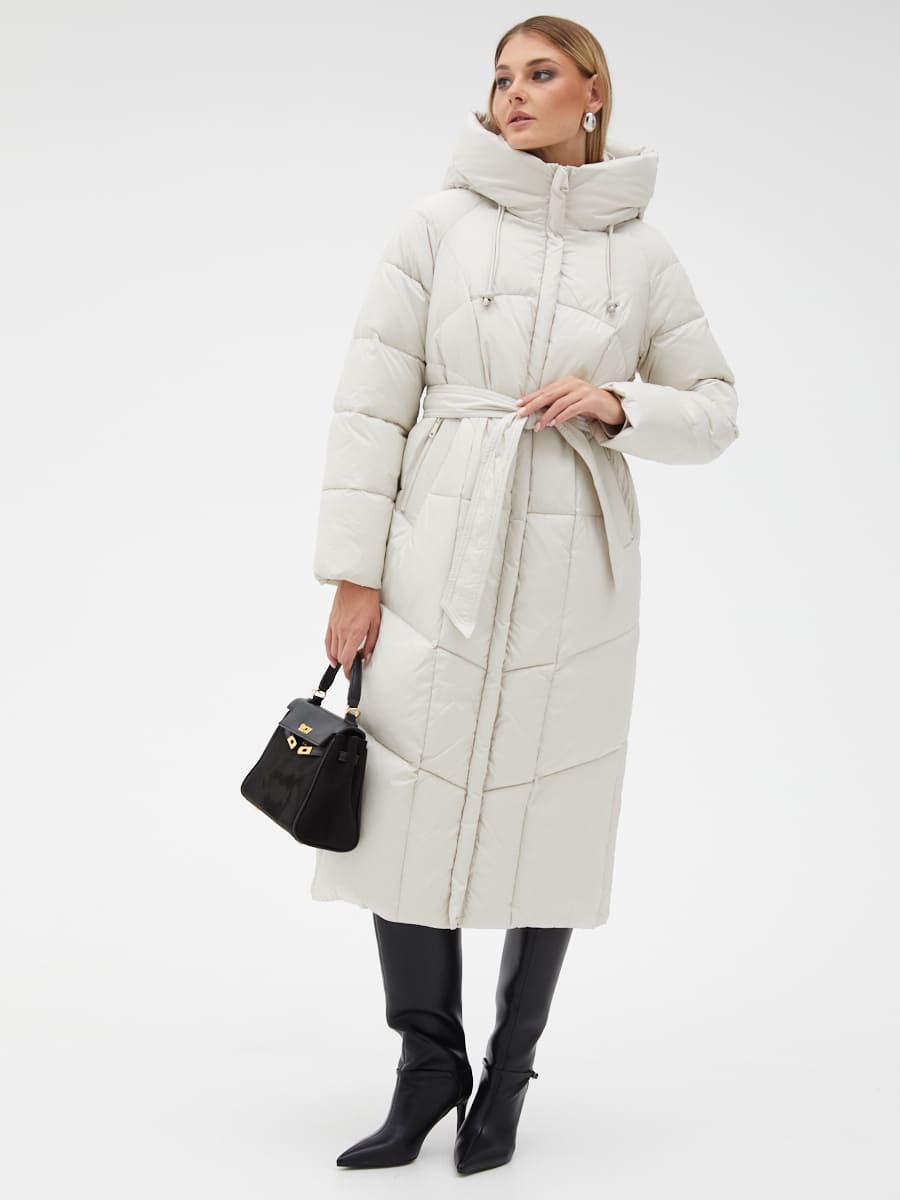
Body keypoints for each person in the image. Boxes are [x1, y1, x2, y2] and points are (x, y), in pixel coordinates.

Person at [311, 15, 739, 1175]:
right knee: (403, 805)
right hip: (435, 548)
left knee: (556, 816)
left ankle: (506, 1080)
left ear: (592, 93)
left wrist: (617, 402)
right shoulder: (436, 226)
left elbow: (715, 408)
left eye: (539, 74)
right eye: (501, 76)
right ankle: (426, 1068)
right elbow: (370, 404)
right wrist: (355, 575)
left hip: (575, 566)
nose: (513, 93)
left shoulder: (643, 254)